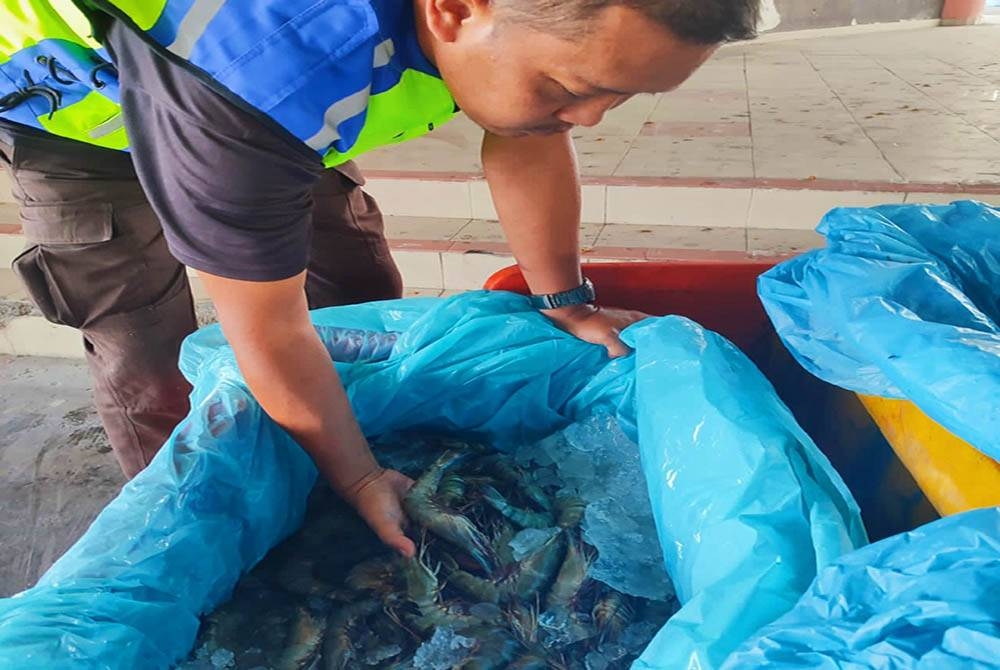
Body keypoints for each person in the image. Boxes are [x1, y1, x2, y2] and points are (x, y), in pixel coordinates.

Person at [0, 0, 760, 557]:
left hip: (259, 116)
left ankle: (340, 445)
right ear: (456, 12)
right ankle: (194, 532)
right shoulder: (265, 78)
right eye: (569, 87)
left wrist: (564, 299)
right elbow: (267, 326)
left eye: (619, 95)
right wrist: (362, 481)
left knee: (359, 284)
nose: (592, 119)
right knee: (154, 364)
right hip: (79, 121)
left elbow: (529, 135)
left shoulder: (510, 38)